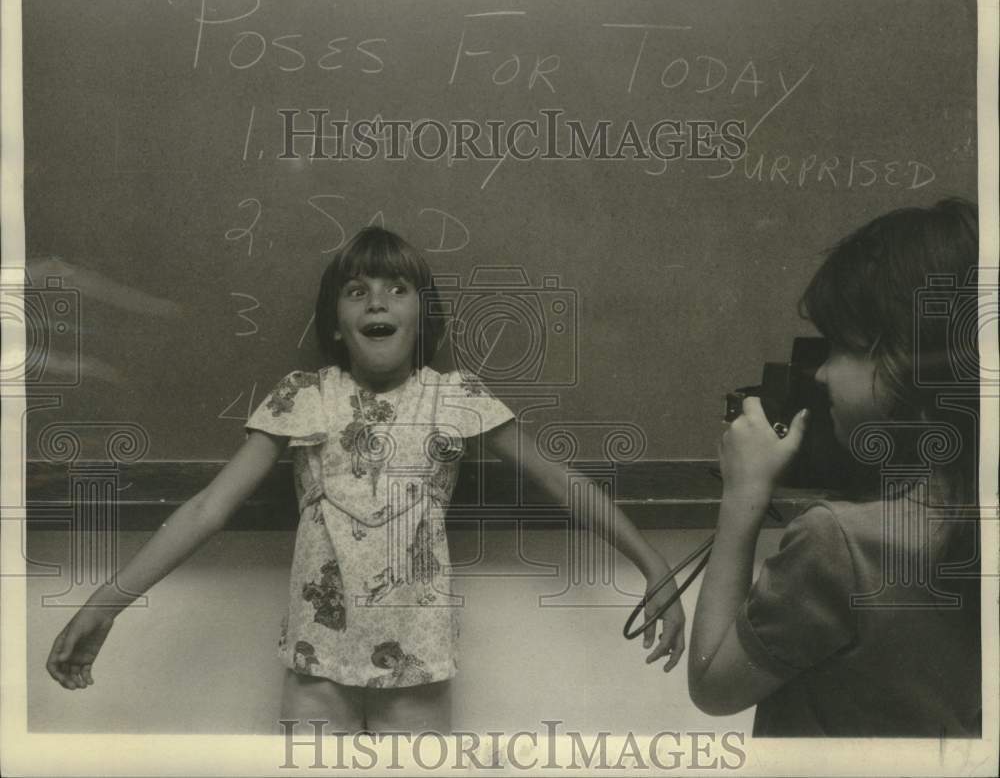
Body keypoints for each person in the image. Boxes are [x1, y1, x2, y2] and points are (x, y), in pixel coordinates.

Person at [46, 227, 686, 732]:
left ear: (422, 317)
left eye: (397, 289)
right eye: (357, 291)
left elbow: (564, 481)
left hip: (418, 663)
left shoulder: (456, 396)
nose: (377, 300)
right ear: (335, 321)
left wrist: (654, 565)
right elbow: (207, 507)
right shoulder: (304, 397)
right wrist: (105, 607)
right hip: (316, 660)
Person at [688, 198, 982, 736]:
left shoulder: (840, 543)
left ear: (904, 360)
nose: (820, 374)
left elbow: (713, 684)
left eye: (841, 349)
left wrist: (742, 497)